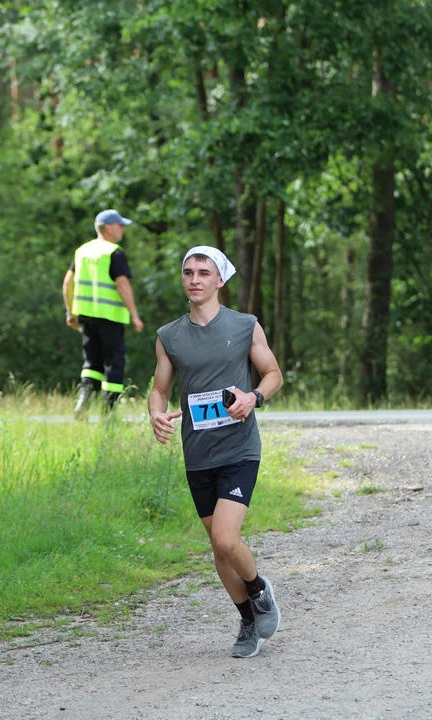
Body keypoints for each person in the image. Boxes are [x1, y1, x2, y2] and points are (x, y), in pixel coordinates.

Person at [148, 246, 284, 658]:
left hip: (240, 448)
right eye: (188, 272)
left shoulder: (244, 326)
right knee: (217, 548)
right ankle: (247, 620)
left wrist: (254, 397)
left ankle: (260, 590)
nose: (194, 279)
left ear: (219, 280)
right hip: (199, 454)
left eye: (203, 273)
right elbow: (159, 389)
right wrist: (155, 414)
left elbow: (274, 373)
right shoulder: (169, 337)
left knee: (226, 541)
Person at [62, 209, 144, 414]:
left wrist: (70, 313)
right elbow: (122, 284)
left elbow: (67, 283)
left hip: (86, 316)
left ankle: (83, 401)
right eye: (120, 225)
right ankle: (109, 413)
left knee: (91, 361)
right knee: (113, 362)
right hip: (110, 316)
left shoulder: (82, 251)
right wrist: (134, 315)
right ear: (108, 228)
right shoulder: (113, 252)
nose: (123, 229)